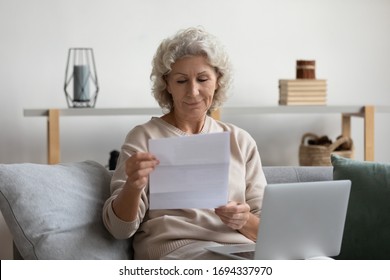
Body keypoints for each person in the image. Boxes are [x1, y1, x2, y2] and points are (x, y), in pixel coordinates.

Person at [102, 27, 267, 260]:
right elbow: (119, 230)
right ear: (167, 84)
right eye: (181, 80)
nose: (193, 91)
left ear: (217, 81)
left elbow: (268, 231)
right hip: (177, 254)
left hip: (240, 253)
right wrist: (133, 185)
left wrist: (243, 219)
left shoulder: (240, 140)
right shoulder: (143, 137)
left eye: (202, 79)